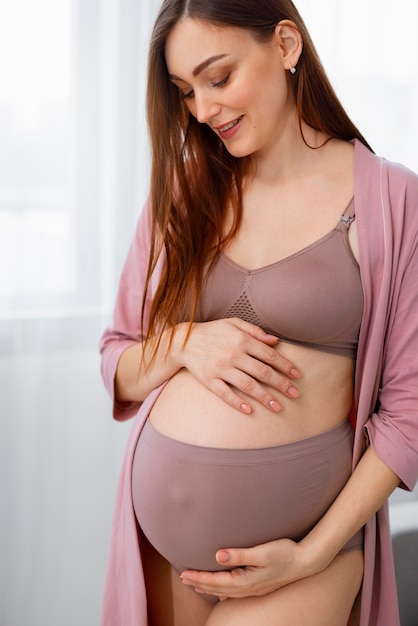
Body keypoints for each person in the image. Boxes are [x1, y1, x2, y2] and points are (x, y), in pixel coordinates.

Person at [99, 0, 418, 624]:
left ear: (286, 45)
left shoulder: (391, 200)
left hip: (301, 555)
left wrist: (312, 555)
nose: (204, 109)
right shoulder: (183, 194)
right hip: (166, 553)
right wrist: (186, 342)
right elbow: (118, 357)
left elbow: (408, 415)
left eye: (218, 78)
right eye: (186, 91)